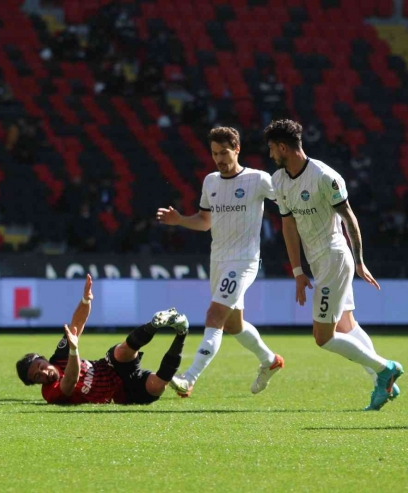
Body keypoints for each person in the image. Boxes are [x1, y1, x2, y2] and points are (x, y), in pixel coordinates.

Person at [264, 119, 403, 411]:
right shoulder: (278, 180)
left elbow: (349, 218)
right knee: (346, 325)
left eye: (271, 148)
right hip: (317, 263)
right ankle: (385, 380)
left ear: (282, 147)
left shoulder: (325, 176)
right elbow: (288, 226)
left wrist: (360, 261)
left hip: (334, 259)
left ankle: (384, 369)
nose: (270, 154)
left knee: (323, 337)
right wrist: (299, 271)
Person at [156, 126, 284, 398]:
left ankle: (189, 378)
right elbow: (204, 222)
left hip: (244, 261)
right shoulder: (211, 181)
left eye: (224, 152)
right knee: (234, 325)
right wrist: (179, 220)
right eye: (215, 154)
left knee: (214, 316)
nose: (219, 159)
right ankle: (270, 360)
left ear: (237, 149)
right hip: (218, 260)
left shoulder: (258, 179)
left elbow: (288, 199)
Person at [16, 275, 189, 405]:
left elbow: (77, 323)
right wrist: (74, 350)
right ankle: (182, 332)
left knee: (122, 351)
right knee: (157, 386)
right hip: (121, 394)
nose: (44, 373)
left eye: (40, 367)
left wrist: (86, 299)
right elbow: (70, 380)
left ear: (43, 359)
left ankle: (155, 324)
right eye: (37, 377)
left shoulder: (59, 356)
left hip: (111, 366)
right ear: (36, 383)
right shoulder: (50, 394)